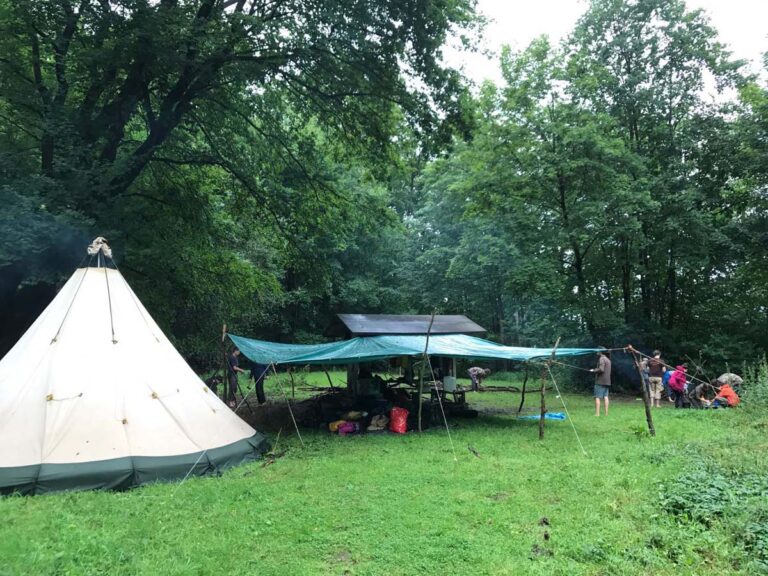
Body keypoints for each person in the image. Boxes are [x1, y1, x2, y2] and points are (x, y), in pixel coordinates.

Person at [591, 350, 611, 416]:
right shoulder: (608, 360)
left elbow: (601, 369)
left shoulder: (601, 358)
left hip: (600, 381)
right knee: (606, 396)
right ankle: (606, 414)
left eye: (598, 351)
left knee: (597, 397)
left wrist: (594, 370)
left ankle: (597, 414)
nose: (597, 351)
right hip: (607, 381)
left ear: (601, 352)